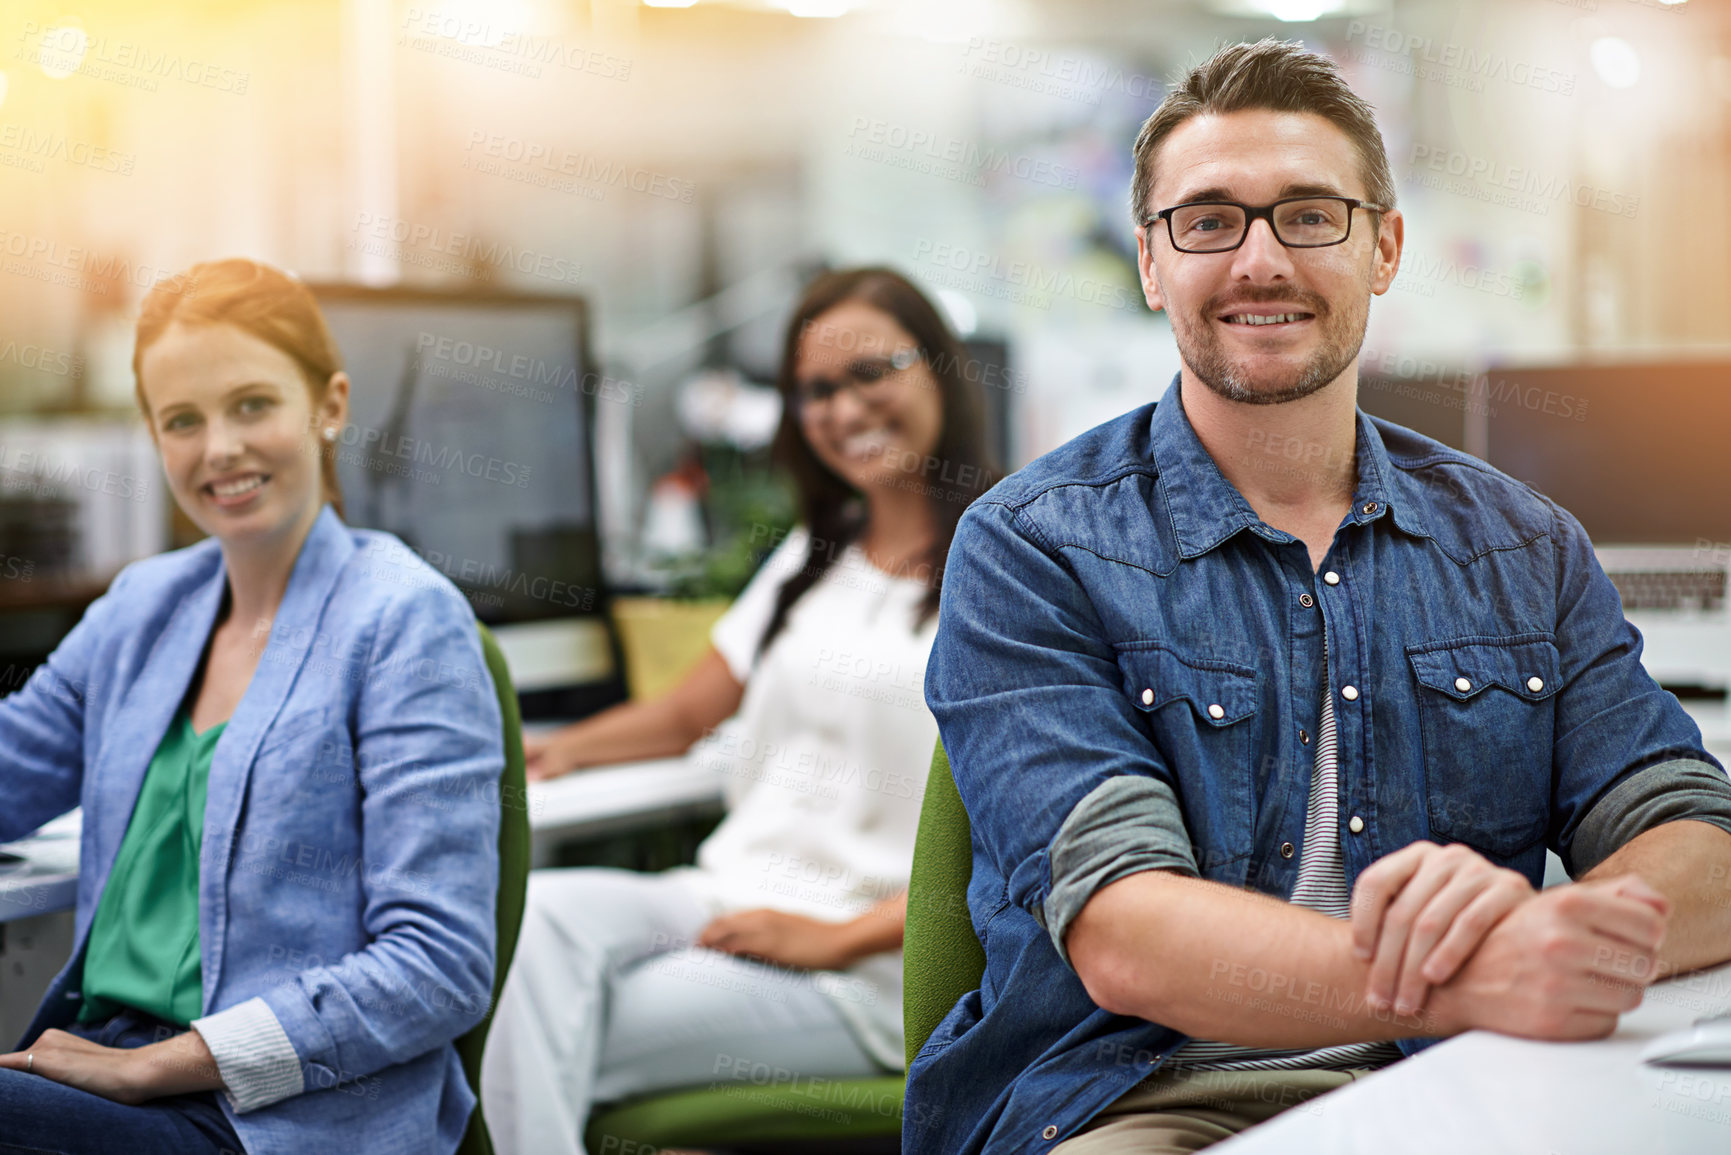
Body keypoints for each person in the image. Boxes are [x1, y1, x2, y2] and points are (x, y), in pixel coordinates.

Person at [910, 39, 1731, 1155]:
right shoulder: (1032, 545)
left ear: (1383, 248)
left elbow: (1699, 840)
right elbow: (1126, 933)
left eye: (1309, 215)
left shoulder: (1522, 545)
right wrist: (1473, 979)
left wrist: (1565, 933)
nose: (1260, 260)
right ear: (1152, 263)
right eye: (1208, 221)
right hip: (1143, 1095)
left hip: (1473, 1081)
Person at [481, 267, 995, 1155]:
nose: (842, 408)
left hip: (868, 960)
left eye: (871, 372)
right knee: (529, 929)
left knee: (529, 1026)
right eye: (816, 390)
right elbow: (687, 711)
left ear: (940, 372)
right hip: (726, 891)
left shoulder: (1006, 563)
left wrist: (835, 937)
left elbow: (1019, 845)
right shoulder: (815, 553)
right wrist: (547, 754)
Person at [0, 258, 505, 1155]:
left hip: (270, 1118)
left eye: (252, 405)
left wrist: (166, 1063)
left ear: (330, 405)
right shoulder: (141, 610)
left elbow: (439, 966)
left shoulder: (402, 620)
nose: (218, 449)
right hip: (103, 1068)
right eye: (182, 421)